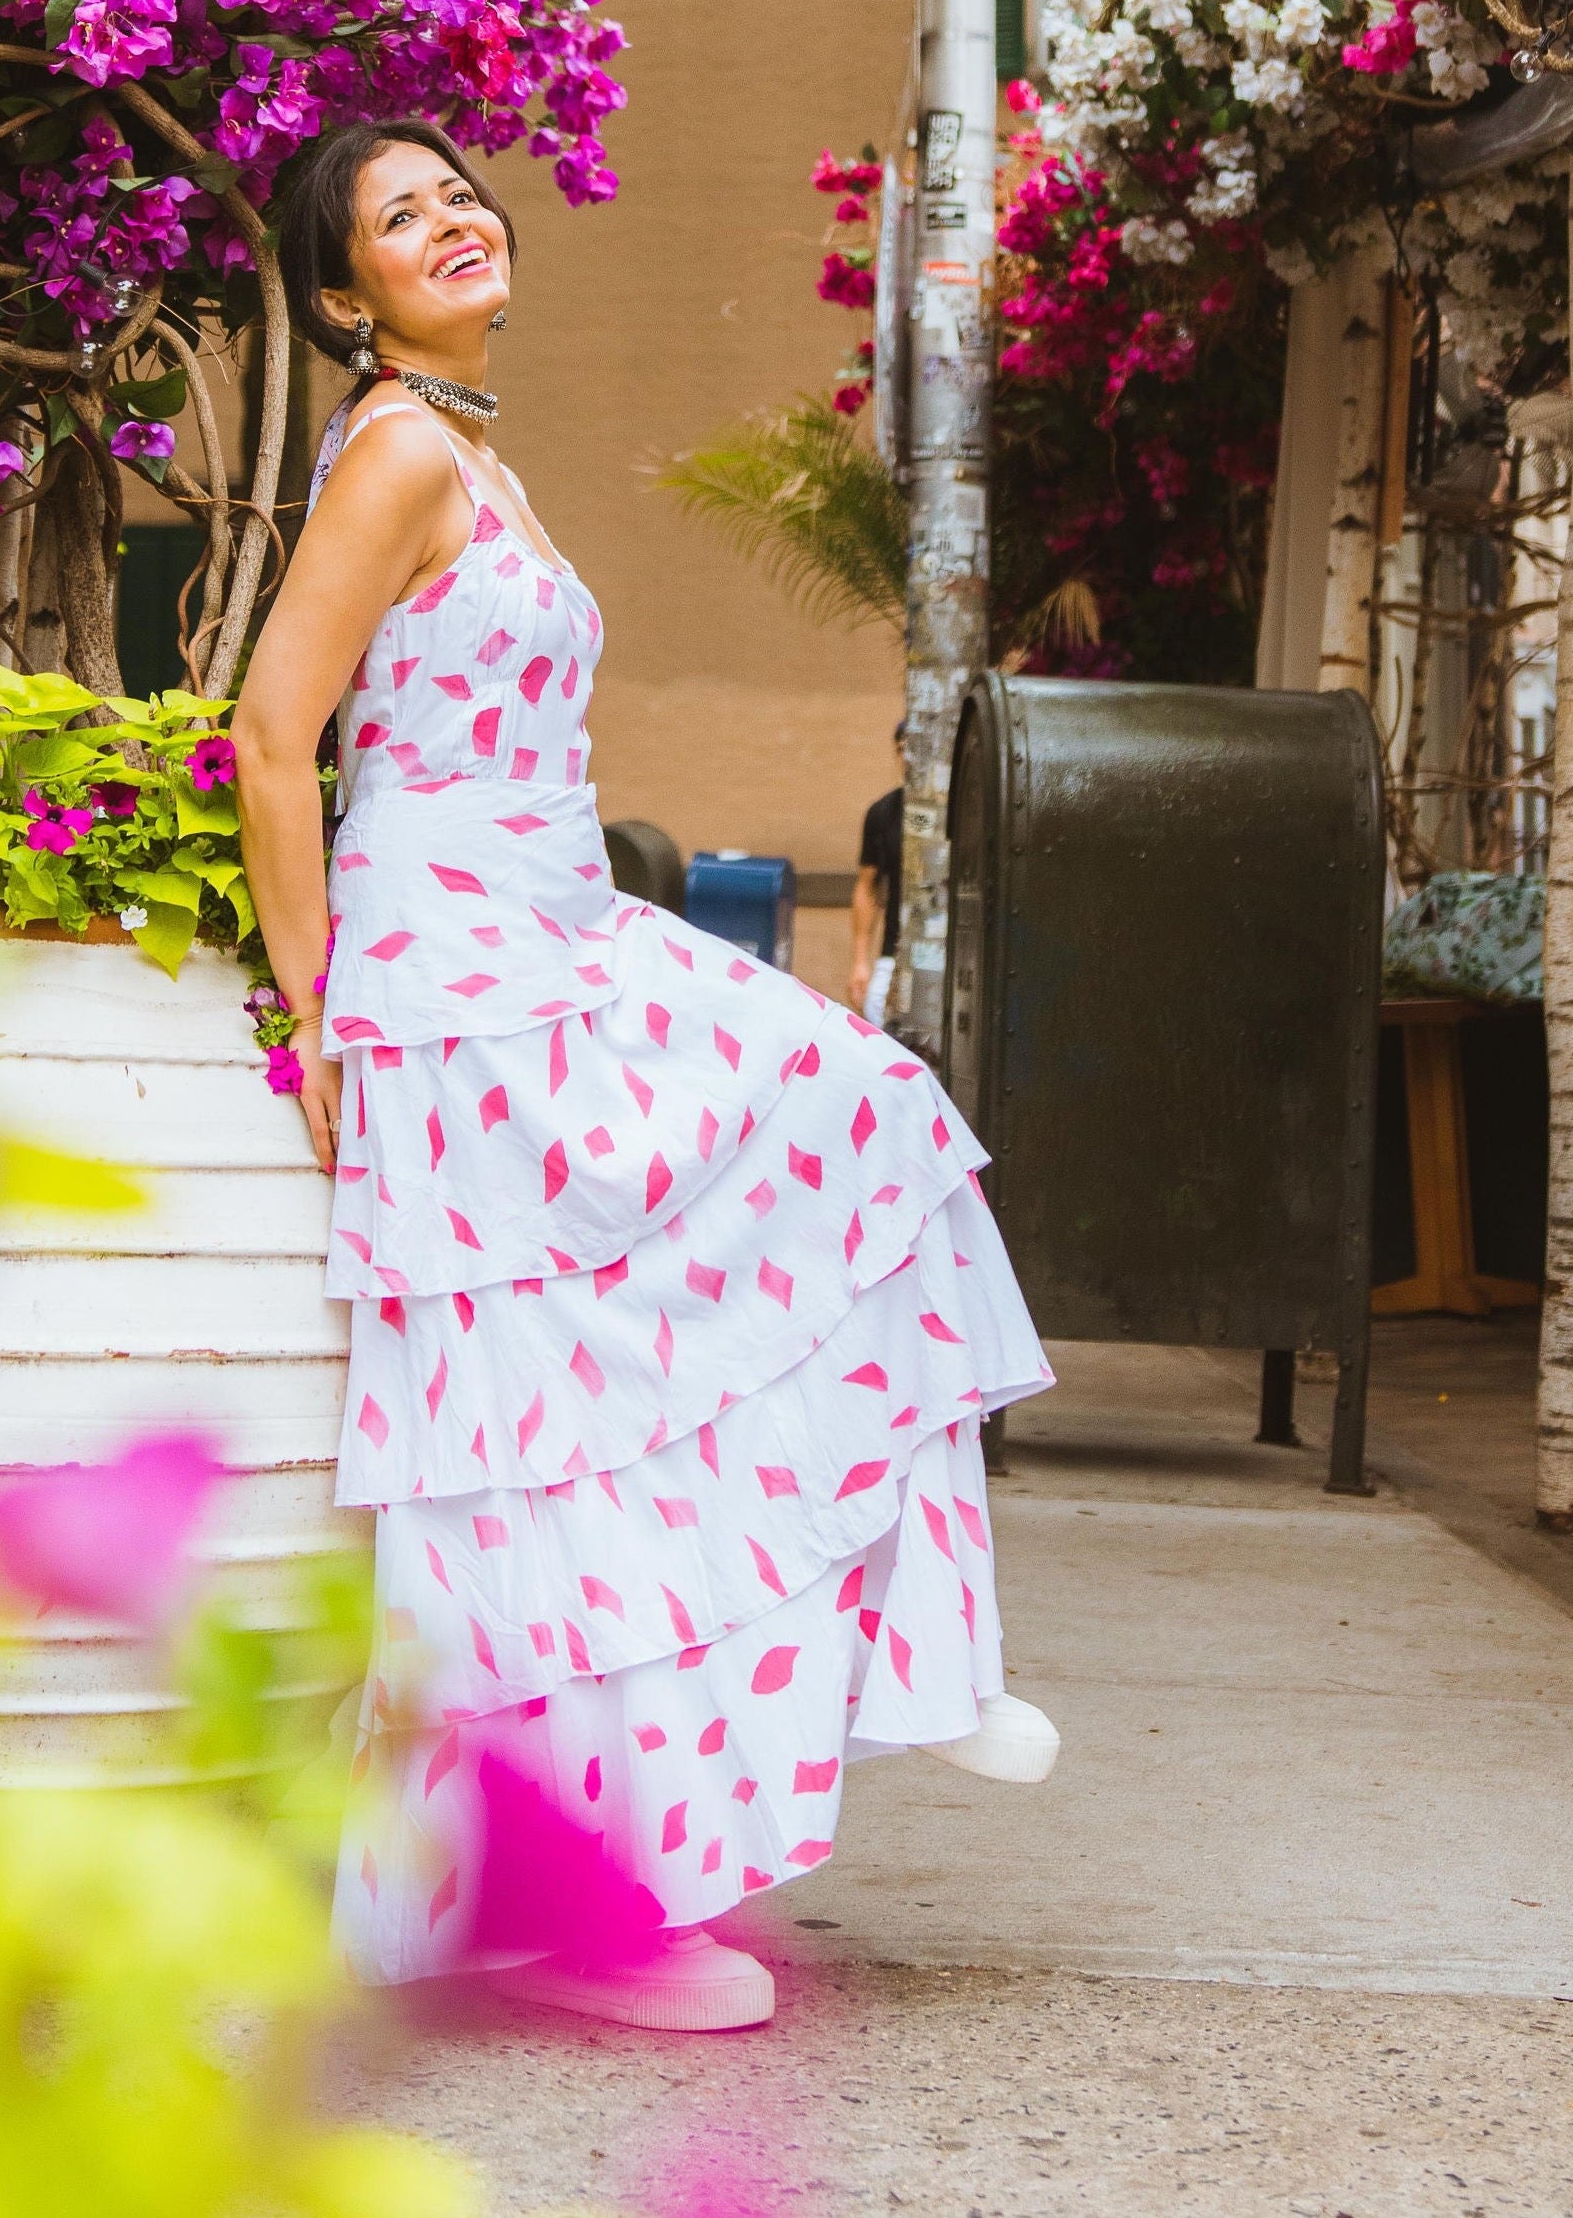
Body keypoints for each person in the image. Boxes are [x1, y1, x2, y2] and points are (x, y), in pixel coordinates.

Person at [230, 121, 1055, 2034]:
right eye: (401, 217)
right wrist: (317, 1006)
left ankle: (865, 1667)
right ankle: (582, 1898)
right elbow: (275, 735)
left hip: (550, 922)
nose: (455, 219)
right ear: (345, 295)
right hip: (458, 971)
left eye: (460, 191)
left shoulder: (471, 458)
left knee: (839, 1148)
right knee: (542, 1434)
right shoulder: (400, 451)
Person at [850, 757, 903, 1025]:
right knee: (876, 1012)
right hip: (894, 952)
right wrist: (860, 961)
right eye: (903, 749)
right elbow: (867, 886)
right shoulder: (884, 812)